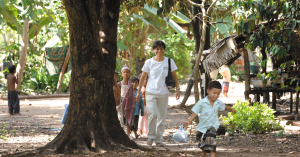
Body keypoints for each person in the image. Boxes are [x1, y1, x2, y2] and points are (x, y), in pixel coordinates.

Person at [136, 40, 180, 147]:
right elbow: (142, 77)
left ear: (164, 50)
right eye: (157, 48)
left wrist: (178, 89)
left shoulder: (169, 61)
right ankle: (151, 137)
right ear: (153, 50)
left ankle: (159, 139)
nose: (159, 51)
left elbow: (174, 76)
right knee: (153, 114)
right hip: (150, 92)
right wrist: (138, 92)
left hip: (163, 92)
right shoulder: (149, 62)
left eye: (161, 48)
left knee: (161, 116)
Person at [182, 81, 236, 157]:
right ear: (208, 91)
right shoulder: (202, 103)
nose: (216, 95)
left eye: (218, 93)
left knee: (211, 144)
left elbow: (224, 106)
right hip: (202, 129)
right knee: (203, 145)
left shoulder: (218, 103)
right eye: (214, 93)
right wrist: (188, 121)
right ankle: (204, 154)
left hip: (212, 128)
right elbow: (195, 113)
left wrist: (231, 109)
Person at [118, 67, 135, 137]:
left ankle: (128, 134)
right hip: (122, 102)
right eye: (124, 72)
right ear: (121, 74)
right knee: (121, 118)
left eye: (127, 72)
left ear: (129, 74)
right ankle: (122, 133)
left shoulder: (131, 84)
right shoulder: (119, 84)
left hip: (129, 103)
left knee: (129, 117)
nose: (125, 74)